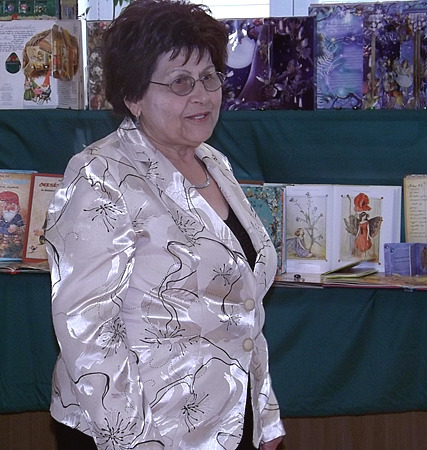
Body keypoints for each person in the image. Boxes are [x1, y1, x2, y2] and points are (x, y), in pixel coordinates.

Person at [45, 1, 285, 449]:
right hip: (141, 431)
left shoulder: (214, 163)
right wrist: (136, 443)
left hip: (228, 421)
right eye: (180, 82)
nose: (202, 95)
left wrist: (264, 418)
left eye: (209, 77)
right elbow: (87, 331)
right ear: (134, 96)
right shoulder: (99, 175)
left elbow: (243, 313)